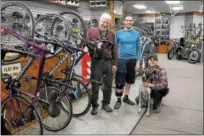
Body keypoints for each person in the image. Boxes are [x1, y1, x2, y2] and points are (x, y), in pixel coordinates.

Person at [86, 13, 118, 115]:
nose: (105, 24)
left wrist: (114, 64)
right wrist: (93, 48)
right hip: (96, 62)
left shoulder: (112, 35)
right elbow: (85, 45)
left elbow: (115, 50)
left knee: (108, 85)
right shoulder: (91, 32)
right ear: (100, 21)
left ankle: (106, 104)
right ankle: (94, 105)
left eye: (107, 22)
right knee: (95, 85)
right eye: (104, 22)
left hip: (108, 62)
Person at [114, 15, 141, 109]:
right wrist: (114, 62)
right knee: (119, 82)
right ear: (124, 22)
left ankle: (126, 97)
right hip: (121, 60)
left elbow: (138, 48)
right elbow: (114, 48)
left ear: (133, 22)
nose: (129, 22)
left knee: (129, 81)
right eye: (127, 20)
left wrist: (138, 62)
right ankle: (118, 99)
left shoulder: (137, 34)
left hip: (132, 60)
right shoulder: (118, 33)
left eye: (130, 20)